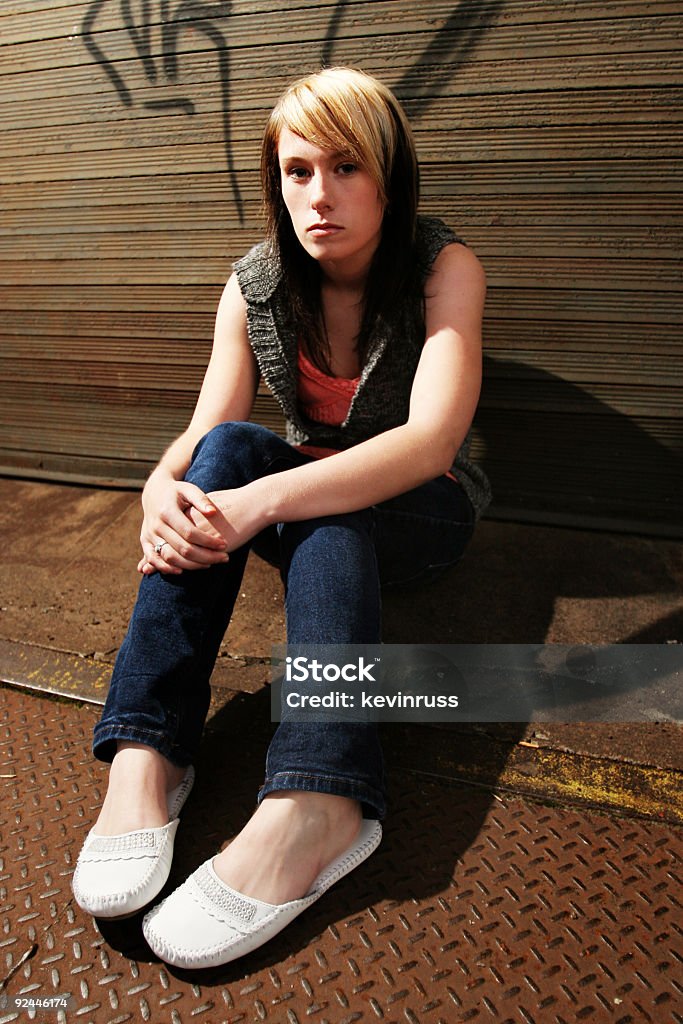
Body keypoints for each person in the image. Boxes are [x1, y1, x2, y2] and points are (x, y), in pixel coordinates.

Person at [72, 66, 491, 969]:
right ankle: (150, 750)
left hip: (425, 511)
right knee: (225, 456)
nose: (319, 194)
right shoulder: (256, 284)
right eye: (297, 171)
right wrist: (159, 492)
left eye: (346, 167)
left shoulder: (441, 266)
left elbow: (427, 444)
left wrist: (263, 498)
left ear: (390, 175)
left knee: (319, 498)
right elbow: (207, 429)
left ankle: (320, 797)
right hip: (313, 498)